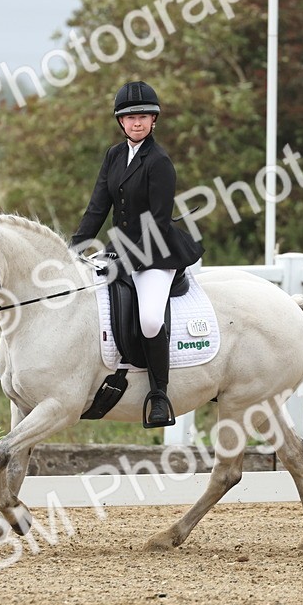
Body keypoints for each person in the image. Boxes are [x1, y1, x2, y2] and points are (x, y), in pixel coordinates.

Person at [70, 81, 204, 428]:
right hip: (119, 250)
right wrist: (76, 247)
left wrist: (128, 259)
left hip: (155, 253)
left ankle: (159, 395)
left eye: (143, 117)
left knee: (150, 320)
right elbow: (98, 206)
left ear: (153, 120)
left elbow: (157, 222)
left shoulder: (159, 162)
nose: (137, 123)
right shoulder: (114, 155)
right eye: (130, 118)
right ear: (121, 122)